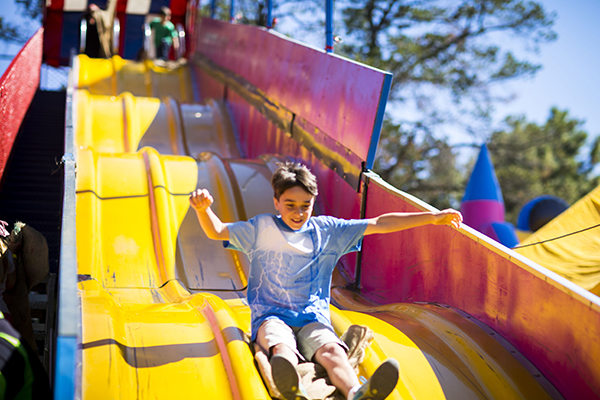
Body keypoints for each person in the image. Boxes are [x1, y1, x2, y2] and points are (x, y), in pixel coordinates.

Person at [189, 162, 463, 400]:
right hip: (271, 315)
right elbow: (218, 231)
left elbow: (379, 223)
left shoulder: (328, 231)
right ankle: (292, 387)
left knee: (332, 350)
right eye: (290, 205)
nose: (298, 212)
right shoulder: (261, 229)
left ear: (313, 202)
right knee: (281, 344)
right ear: (276, 202)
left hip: (312, 318)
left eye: (305, 206)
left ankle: (357, 392)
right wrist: (203, 210)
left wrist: (433, 218)